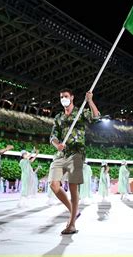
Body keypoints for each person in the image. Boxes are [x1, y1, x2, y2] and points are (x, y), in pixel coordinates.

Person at [48, 88, 100, 235]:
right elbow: (52, 136)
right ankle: (73, 210)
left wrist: (90, 101)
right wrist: (57, 144)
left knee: (72, 187)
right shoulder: (58, 117)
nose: (63, 98)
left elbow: (96, 117)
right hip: (61, 154)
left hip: (77, 153)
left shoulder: (80, 112)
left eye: (65, 96)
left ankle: (71, 224)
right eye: (61, 97)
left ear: (72, 97)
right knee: (53, 184)